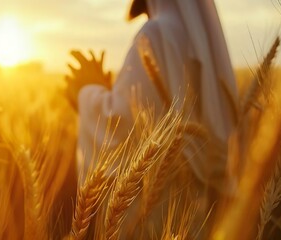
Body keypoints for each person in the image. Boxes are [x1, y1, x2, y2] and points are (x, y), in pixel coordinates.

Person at [65, 0, 238, 234]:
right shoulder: (202, 43)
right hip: (199, 210)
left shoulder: (155, 33)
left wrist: (88, 91)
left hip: (154, 212)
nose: (147, 14)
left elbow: (123, 125)